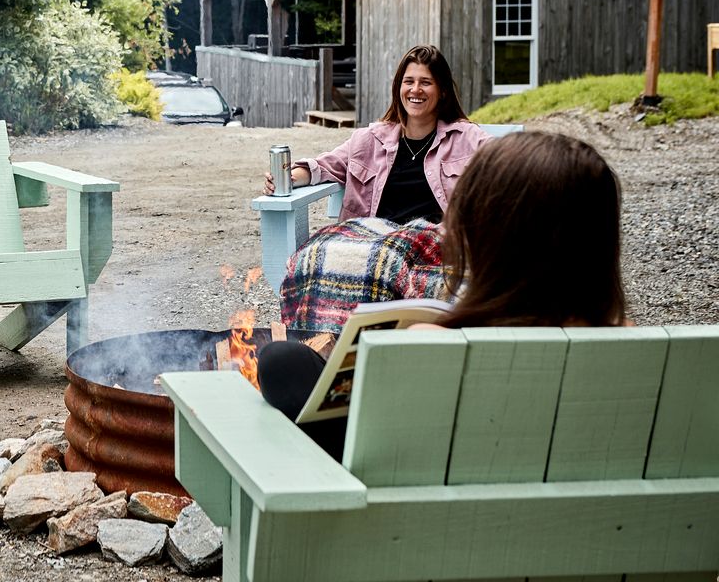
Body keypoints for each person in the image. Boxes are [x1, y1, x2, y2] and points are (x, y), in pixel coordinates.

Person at [257, 130, 628, 458]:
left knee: (282, 363)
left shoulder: (429, 344)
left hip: (411, 517)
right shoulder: (625, 339)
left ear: (491, 239)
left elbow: (378, 456)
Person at [261, 45, 493, 331]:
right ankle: (316, 340)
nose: (415, 90)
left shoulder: (467, 138)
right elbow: (325, 165)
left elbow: (507, 166)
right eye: (409, 82)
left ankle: (352, 339)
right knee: (313, 254)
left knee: (378, 258)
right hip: (371, 235)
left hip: (433, 240)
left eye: (426, 82)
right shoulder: (369, 139)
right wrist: (287, 177)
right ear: (399, 88)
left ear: (442, 90)